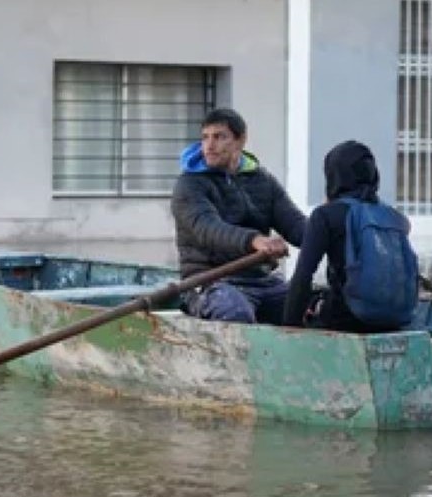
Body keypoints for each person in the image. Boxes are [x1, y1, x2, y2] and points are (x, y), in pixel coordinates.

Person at [170, 108, 307, 324]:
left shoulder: (262, 180)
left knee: (314, 307)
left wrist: (328, 230)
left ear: (240, 140)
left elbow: (295, 225)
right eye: (205, 137)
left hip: (262, 280)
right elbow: (208, 229)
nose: (209, 145)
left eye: (219, 137)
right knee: (234, 313)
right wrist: (255, 240)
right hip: (209, 281)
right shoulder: (189, 185)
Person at [283, 140, 415, 333]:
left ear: (334, 175)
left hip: (347, 320)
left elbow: (302, 277)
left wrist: (288, 328)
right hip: (395, 320)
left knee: (315, 303)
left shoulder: (325, 215)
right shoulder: (393, 217)